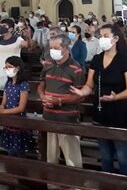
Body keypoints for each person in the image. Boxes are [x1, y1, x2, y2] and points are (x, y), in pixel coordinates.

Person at [70, 24, 127, 175]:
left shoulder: (126, 59)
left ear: (116, 39)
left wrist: (115, 97)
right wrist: (81, 93)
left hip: (120, 112)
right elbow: (89, 84)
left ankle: (126, 184)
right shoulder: (97, 59)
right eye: (101, 36)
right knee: (105, 156)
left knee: (122, 156)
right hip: (100, 111)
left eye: (106, 36)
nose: (102, 39)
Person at [38, 34, 85, 168]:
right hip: (48, 116)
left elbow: (80, 96)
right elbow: (42, 83)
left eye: (56, 48)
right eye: (51, 48)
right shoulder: (48, 63)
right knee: (51, 158)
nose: (53, 51)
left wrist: (59, 101)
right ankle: (52, 185)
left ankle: (75, 186)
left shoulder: (76, 68)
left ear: (66, 48)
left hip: (67, 118)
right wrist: (42, 95)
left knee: (72, 159)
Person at [0, 56, 31, 157]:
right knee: (10, 151)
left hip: (19, 121)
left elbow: (21, 108)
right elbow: (4, 102)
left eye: (9, 67)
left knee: (19, 152)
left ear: (17, 68)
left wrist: (2, 112)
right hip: (8, 121)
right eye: (6, 67)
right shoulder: (8, 83)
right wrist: (0, 108)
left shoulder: (23, 84)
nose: (7, 69)